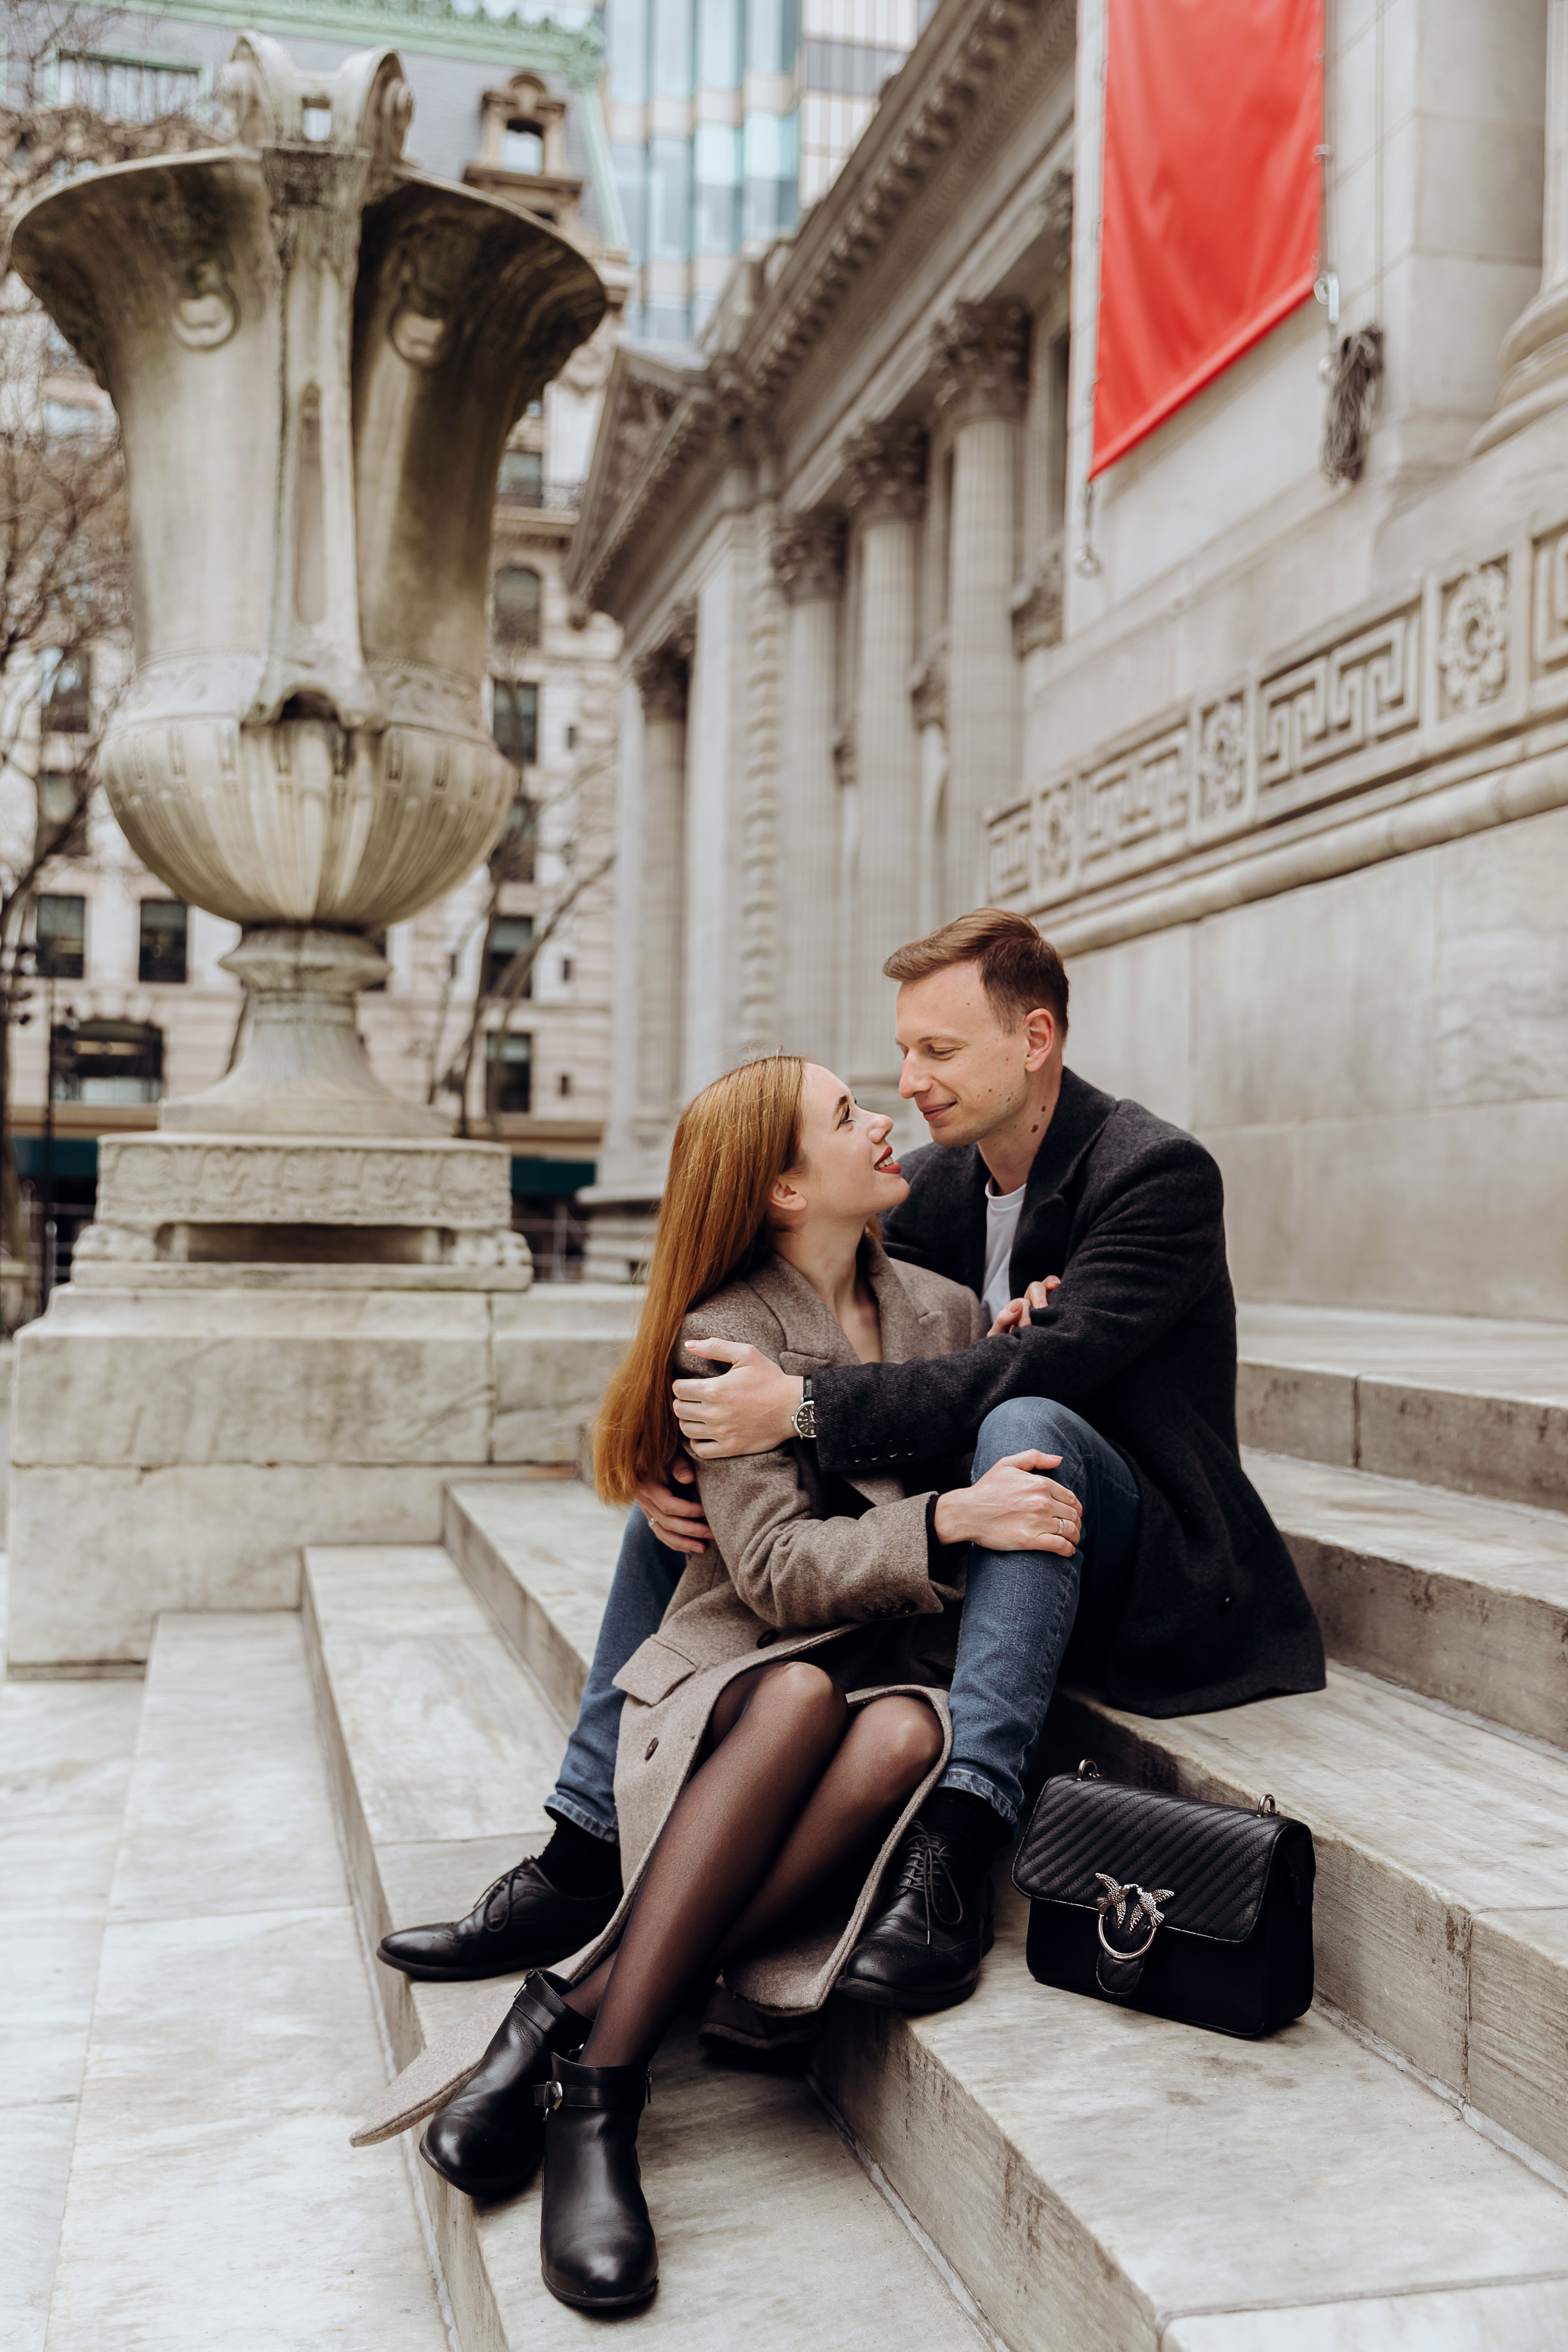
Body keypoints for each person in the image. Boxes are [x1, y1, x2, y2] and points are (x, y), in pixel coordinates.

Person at [379, 907, 1323, 2019]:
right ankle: (583, 1847)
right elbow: (843, 1326)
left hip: (1139, 1556)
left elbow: (1018, 1378)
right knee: (679, 1501)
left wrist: (801, 1407)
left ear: (1034, 1039)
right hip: (979, 1545)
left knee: (1029, 1424)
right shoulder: (927, 1187)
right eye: (905, 1050)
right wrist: (681, 1444)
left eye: (940, 1050)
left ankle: (958, 1838)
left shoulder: (1153, 1174)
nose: (910, 1083)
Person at [404, 1054, 1084, 2312]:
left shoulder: (939, 1309)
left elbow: (953, 1422)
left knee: (899, 1738)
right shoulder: (727, 1332)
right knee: (798, 1699)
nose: (882, 1118)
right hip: (742, 1674)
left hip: (888, 1671)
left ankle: (562, 2009)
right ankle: (602, 2096)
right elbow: (771, 1575)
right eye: (846, 1115)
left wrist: (1017, 1345)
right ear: (784, 1188)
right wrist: (947, 1520)